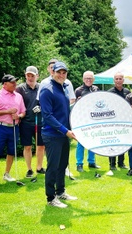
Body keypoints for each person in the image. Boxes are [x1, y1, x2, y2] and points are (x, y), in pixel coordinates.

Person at [39, 61, 77, 208]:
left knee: (62, 165)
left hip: (63, 134)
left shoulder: (65, 88)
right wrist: (65, 130)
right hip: (52, 134)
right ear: (52, 72)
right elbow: (47, 116)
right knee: (53, 167)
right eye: (58, 72)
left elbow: (64, 111)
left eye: (64, 72)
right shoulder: (47, 90)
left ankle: (60, 192)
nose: (61, 75)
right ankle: (51, 198)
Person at [0, 74, 26, 186]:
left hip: (14, 127)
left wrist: (19, 116)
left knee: (11, 151)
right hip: (0, 126)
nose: (15, 84)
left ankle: (7, 174)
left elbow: (23, 111)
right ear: (5, 84)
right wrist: (8, 111)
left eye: (15, 82)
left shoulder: (18, 96)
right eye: (12, 82)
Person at [16, 66, 45, 178]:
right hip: (26, 122)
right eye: (28, 75)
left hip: (39, 121)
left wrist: (41, 108)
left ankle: (39, 167)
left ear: (37, 76)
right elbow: (17, 103)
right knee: (27, 146)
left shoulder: (41, 88)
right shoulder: (20, 89)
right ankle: (29, 169)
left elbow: (46, 102)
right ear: (25, 75)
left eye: (32, 75)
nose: (30, 77)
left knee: (41, 146)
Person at [74, 71, 100, 172]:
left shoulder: (96, 89)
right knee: (81, 142)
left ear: (93, 79)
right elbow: (75, 107)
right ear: (83, 79)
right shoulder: (78, 90)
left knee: (93, 141)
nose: (88, 80)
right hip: (82, 120)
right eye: (86, 78)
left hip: (94, 119)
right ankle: (79, 164)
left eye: (90, 78)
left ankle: (91, 162)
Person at [107, 72, 130, 170]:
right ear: (114, 80)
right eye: (116, 79)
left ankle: (121, 163)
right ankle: (112, 164)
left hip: (123, 121)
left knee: (122, 142)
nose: (118, 80)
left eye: (120, 78)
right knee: (112, 142)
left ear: (123, 80)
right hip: (112, 121)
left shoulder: (127, 92)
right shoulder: (110, 92)